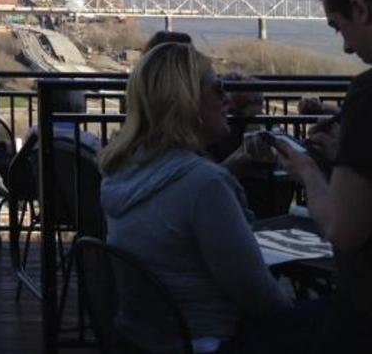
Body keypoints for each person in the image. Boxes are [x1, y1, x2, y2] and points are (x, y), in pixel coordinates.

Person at [99, 42, 290, 352]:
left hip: (145, 340)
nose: (227, 98)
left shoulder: (121, 171)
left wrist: (231, 170)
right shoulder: (204, 185)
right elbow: (258, 295)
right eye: (217, 88)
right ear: (186, 100)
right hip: (213, 341)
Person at [271, 0, 372, 346]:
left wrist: (306, 167)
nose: (346, 47)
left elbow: (342, 229)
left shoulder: (367, 95)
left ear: (361, 10)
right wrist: (345, 158)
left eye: (338, 26)